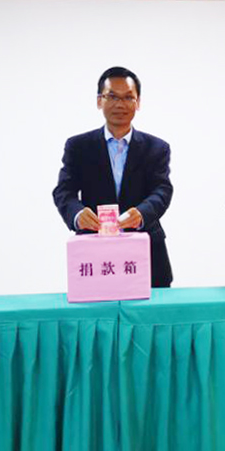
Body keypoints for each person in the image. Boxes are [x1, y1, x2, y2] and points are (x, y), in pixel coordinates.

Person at [53, 66, 173, 288]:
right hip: (94, 253)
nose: (120, 104)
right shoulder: (79, 146)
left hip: (147, 252)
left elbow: (162, 191)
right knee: (97, 308)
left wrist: (142, 213)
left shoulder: (157, 148)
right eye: (112, 97)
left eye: (128, 97)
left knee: (150, 310)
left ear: (138, 103)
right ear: (99, 101)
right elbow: (64, 191)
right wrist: (77, 214)